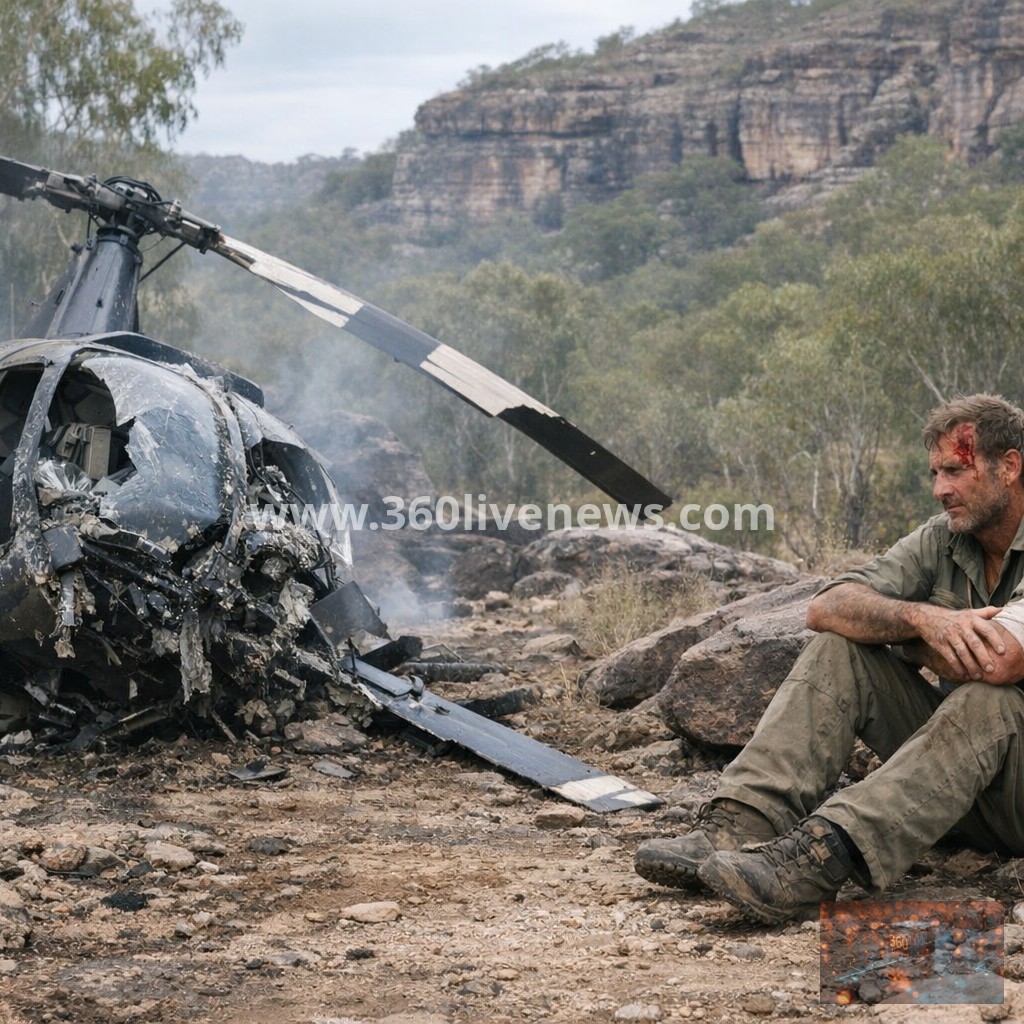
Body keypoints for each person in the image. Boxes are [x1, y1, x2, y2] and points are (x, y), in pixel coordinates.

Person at [634, 393, 1024, 923]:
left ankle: (814, 862)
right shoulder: (947, 538)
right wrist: (922, 621)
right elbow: (828, 607)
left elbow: (998, 660)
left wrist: (905, 639)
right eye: (934, 473)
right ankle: (739, 824)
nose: (940, 490)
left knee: (989, 701)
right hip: (959, 788)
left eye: (955, 470)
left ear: (1010, 466)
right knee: (841, 649)